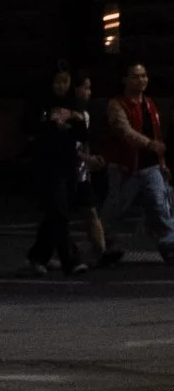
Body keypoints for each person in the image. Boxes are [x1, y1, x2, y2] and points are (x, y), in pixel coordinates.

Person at [102, 60, 174, 261]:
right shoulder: (117, 104)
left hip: (149, 165)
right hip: (125, 166)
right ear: (125, 80)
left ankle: (169, 244)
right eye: (135, 76)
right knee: (115, 208)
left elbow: (157, 134)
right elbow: (124, 131)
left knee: (160, 205)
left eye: (143, 76)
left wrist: (162, 164)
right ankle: (105, 244)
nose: (141, 80)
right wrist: (150, 144)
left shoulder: (150, 104)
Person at [26, 64, 88, 276]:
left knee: (55, 212)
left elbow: (83, 135)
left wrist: (75, 120)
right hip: (47, 164)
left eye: (66, 81)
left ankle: (38, 256)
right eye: (58, 81)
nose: (62, 86)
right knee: (59, 211)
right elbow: (30, 130)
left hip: (67, 163)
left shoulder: (73, 104)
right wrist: (51, 124)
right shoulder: (40, 104)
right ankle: (70, 259)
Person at [73, 72, 115, 264]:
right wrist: (86, 158)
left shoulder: (86, 114)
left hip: (80, 170)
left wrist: (89, 162)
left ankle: (101, 249)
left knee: (90, 210)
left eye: (89, 88)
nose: (88, 93)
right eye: (85, 88)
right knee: (58, 214)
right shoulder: (66, 113)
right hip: (64, 169)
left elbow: (84, 142)